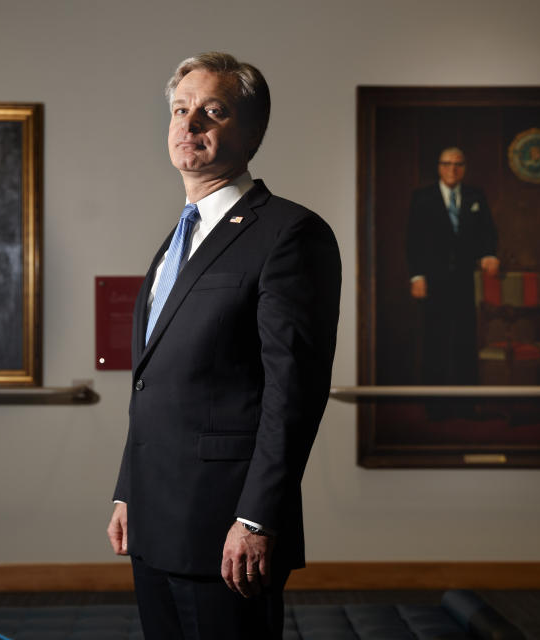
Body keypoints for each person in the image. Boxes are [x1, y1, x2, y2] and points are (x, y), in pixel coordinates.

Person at [107, 52, 341, 640]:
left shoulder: (289, 234)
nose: (190, 125)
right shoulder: (175, 240)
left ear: (253, 129)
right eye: (180, 110)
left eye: (211, 112)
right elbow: (155, 381)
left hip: (226, 529)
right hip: (155, 520)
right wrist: (128, 492)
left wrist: (258, 517)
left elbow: (294, 392)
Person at [406, 147, 499, 386]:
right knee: (435, 339)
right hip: (433, 280)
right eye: (447, 164)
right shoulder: (422, 197)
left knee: (465, 339)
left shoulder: (475, 196)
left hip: (465, 279)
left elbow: (487, 231)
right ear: (439, 167)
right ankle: (435, 406)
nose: (452, 169)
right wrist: (416, 276)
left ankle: (466, 404)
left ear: (464, 169)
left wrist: (488, 253)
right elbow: (413, 239)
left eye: (458, 164)